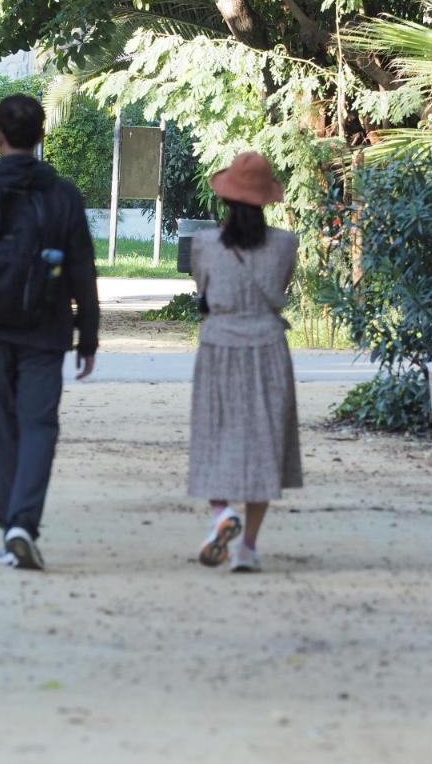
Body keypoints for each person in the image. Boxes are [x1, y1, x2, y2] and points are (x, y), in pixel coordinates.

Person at [0, 94, 100, 571]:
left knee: (3, 427)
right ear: (41, 136)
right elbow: (83, 271)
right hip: (46, 328)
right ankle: (21, 525)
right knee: (39, 424)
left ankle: (8, 524)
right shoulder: (63, 194)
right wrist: (87, 336)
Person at [188, 150, 302, 573]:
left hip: (219, 346)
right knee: (264, 444)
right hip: (268, 347)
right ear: (267, 199)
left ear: (227, 199)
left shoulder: (205, 244)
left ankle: (222, 514)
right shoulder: (286, 244)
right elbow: (279, 285)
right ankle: (248, 548)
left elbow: (205, 287)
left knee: (213, 437)